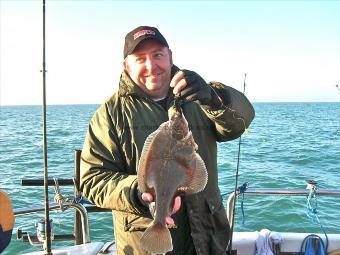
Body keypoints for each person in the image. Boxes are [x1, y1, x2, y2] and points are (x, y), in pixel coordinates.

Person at [80, 25, 255, 255]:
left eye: (158, 55)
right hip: (146, 246)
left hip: (208, 242)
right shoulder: (111, 114)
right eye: (140, 59)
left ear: (170, 55)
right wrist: (139, 193)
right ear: (126, 66)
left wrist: (215, 99)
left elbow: (240, 122)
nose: (151, 66)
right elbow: (91, 179)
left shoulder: (198, 94)